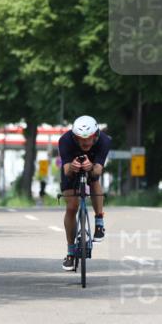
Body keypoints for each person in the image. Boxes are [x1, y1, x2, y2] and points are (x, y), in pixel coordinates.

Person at [59, 115, 111, 270]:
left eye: (89, 138)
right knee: (71, 207)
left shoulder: (104, 141)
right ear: (75, 136)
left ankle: (99, 222)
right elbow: (67, 170)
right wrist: (73, 167)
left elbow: (98, 170)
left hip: (93, 166)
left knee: (94, 179)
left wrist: (90, 168)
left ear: (95, 135)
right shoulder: (65, 140)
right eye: (81, 139)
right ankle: (70, 252)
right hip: (71, 169)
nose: (85, 142)